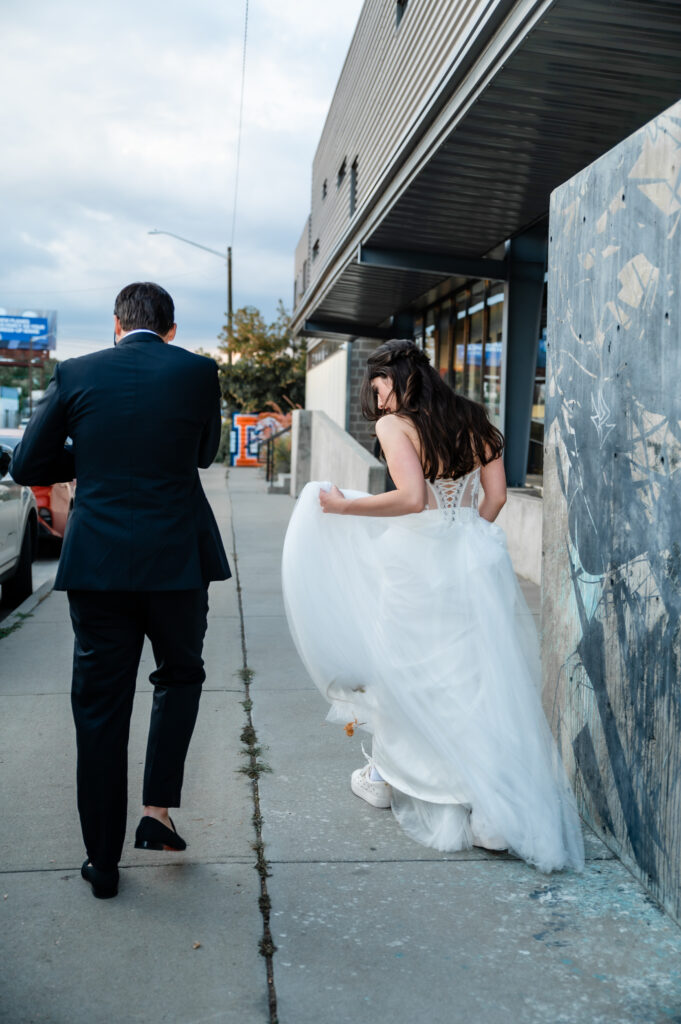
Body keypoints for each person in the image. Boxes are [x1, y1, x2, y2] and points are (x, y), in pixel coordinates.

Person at [282, 339, 584, 873]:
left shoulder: (395, 425)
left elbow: (411, 499)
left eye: (377, 388)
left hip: (414, 563)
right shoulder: (474, 417)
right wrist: (462, 539)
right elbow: (496, 498)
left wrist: (343, 507)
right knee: (474, 678)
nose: (377, 400)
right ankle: (489, 812)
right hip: (472, 560)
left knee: (406, 671)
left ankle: (387, 778)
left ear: (395, 378)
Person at [11, 282, 231, 899]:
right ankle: (157, 811)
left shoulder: (76, 373)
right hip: (178, 562)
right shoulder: (198, 373)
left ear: (116, 324)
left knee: (100, 708)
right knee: (180, 676)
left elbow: (26, 464)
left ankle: (102, 863)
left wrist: (91, 452)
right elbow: (205, 454)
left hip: (99, 566)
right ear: (170, 329)